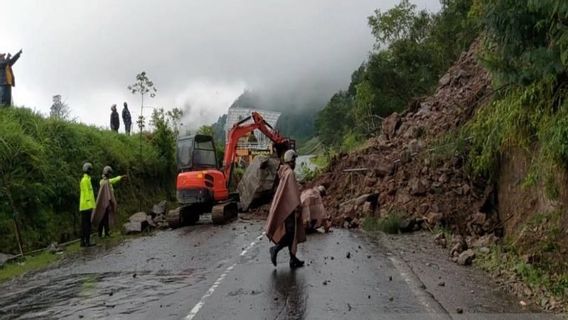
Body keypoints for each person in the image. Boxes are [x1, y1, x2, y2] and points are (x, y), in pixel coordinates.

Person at [265, 149, 306, 269]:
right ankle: (275, 249)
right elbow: (293, 194)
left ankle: (293, 259)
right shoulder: (290, 174)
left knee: (291, 234)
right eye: (295, 160)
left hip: (286, 208)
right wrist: (297, 208)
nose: (296, 162)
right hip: (290, 209)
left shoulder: (284, 172)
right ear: (291, 161)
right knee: (290, 234)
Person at [92, 166, 126, 238]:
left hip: (106, 202)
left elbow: (112, 180)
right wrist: (120, 177)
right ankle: (102, 233)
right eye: (109, 173)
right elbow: (112, 180)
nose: (110, 175)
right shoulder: (103, 182)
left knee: (105, 218)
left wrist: (120, 177)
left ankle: (104, 233)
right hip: (104, 203)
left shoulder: (106, 181)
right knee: (103, 218)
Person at [79, 162, 97, 247]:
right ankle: (87, 242)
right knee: (87, 225)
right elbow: (87, 194)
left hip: (84, 206)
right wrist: (91, 205)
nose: (91, 171)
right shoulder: (85, 180)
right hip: (87, 206)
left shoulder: (85, 179)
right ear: (88, 170)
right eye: (90, 170)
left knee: (84, 224)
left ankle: (83, 242)